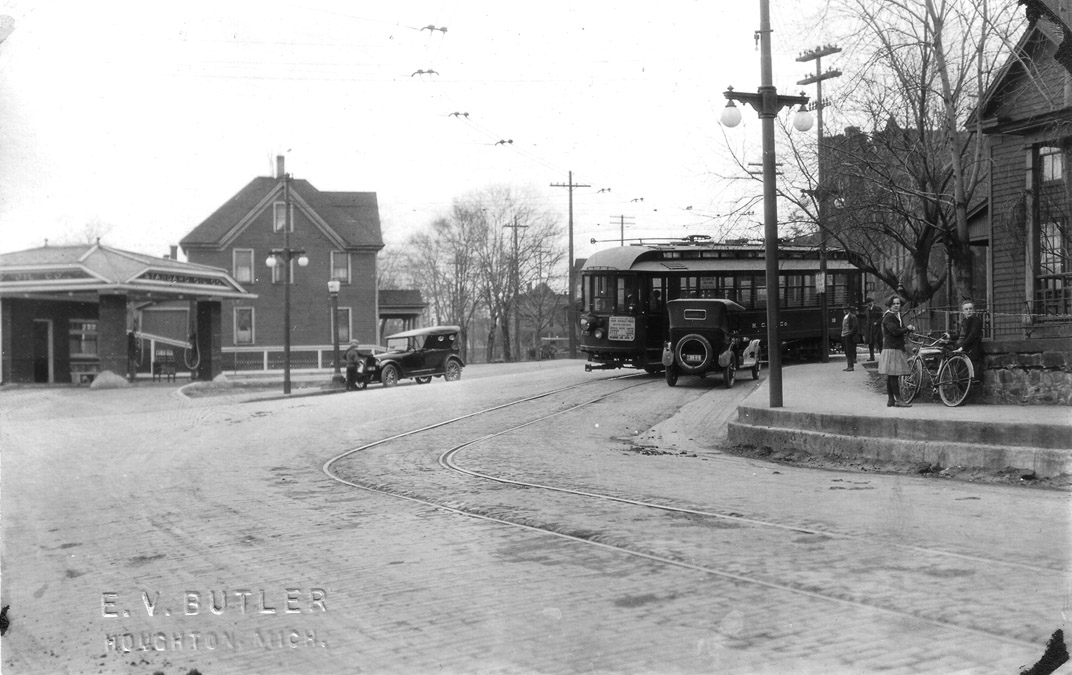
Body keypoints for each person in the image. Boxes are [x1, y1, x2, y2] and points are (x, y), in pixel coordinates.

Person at [878, 295, 916, 407]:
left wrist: (907, 330)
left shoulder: (897, 316)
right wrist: (907, 328)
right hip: (891, 348)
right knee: (894, 375)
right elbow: (894, 331)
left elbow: (900, 330)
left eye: (898, 303)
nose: (896, 305)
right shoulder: (889, 317)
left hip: (895, 347)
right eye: (894, 303)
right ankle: (898, 400)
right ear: (890, 305)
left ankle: (890, 400)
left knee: (891, 375)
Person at [952, 299, 984, 384]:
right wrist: (949, 336)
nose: (968, 311)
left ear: (973, 310)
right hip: (961, 347)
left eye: (970, 309)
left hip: (971, 349)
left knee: (970, 375)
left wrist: (963, 347)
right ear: (963, 312)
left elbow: (972, 336)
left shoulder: (976, 321)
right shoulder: (964, 321)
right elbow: (960, 334)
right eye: (966, 309)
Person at [840, 303, 859, 371]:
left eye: (846, 309)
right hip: (844, 335)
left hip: (849, 336)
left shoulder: (852, 317)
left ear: (848, 309)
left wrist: (850, 334)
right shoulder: (845, 317)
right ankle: (849, 365)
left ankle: (851, 366)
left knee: (849, 351)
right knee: (846, 351)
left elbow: (855, 326)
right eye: (843, 309)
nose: (844, 311)